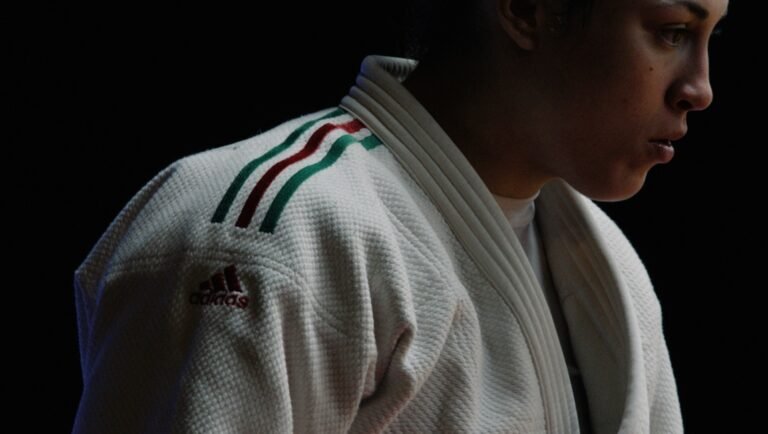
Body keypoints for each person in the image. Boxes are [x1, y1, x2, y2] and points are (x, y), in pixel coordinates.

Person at [72, 0, 728, 432]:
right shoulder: (265, 232)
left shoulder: (614, 271)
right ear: (531, 11)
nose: (700, 87)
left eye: (709, 38)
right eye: (672, 31)